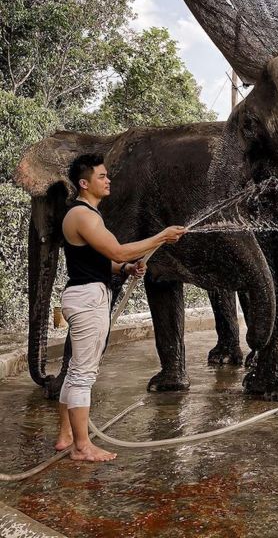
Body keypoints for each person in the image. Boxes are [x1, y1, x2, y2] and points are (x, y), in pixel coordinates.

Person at [55, 153, 186, 461]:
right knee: (83, 375)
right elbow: (117, 249)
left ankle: (65, 436)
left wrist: (123, 269)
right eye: (102, 176)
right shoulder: (83, 215)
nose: (108, 180)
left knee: (76, 371)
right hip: (88, 299)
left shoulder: (87, 215)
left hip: (87, 293)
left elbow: (101, 259)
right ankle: (82, 447)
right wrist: (161, 237)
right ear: (84, 183)